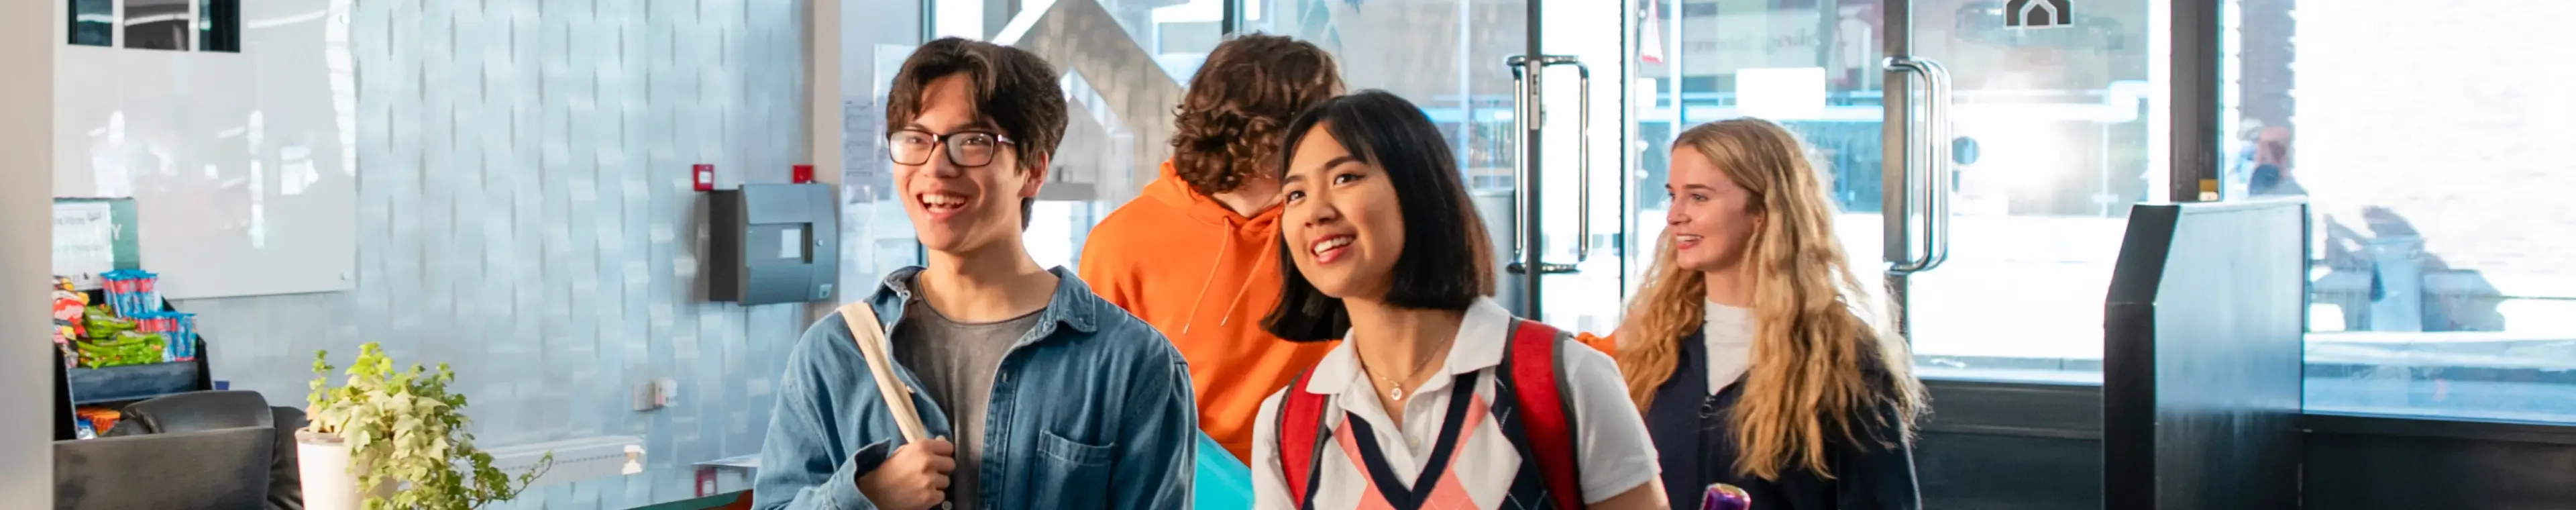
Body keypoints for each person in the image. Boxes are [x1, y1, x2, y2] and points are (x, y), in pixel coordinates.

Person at [753, 38, 1196, 510]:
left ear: (1033, 169)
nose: (936, 167)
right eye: (916, 140)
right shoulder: (837, 354)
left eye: (972, 143)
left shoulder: (1131, 364)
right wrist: (868, 498)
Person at [1247, 91, 1668, 510]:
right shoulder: (1289, 424)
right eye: (1295, 195)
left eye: (1346, 178)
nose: (1314, 212)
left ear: (1419, 190)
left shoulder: (1567, 379)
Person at [1593, 119, 1927, 509]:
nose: (1675, 216)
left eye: (1699, 197)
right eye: (1673, 196)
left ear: (1763, 211)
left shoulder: (1841, 363)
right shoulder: (1648, 348)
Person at [1079, 34, 1344, 464]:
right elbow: (1097, 405)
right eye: (1321, 122)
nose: (1335, 138)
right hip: (1180, 483)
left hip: (1321, 475)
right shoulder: (1122, 243)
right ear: (1264, 132)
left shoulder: (1333, 230)